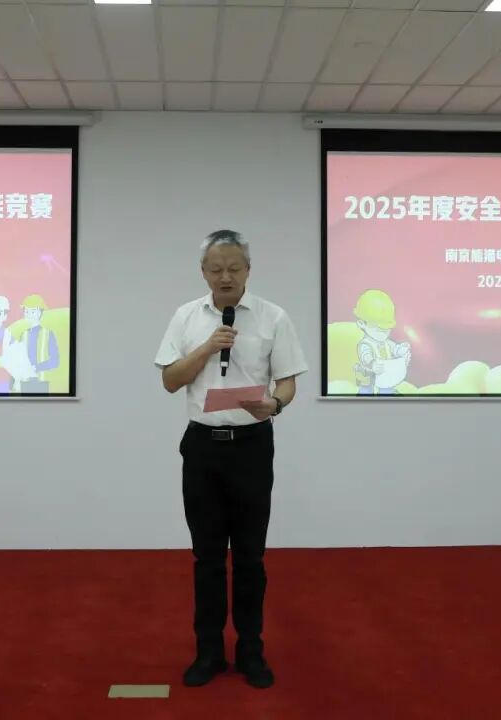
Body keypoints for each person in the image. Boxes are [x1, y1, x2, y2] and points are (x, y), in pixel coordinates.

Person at [154, 230, 307, 689]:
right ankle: (208, 651)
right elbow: (170, 381)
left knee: (249, 557)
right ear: (203, 272)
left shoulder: (273, 317)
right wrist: (206, 347)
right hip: (202, 447)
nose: (226, 277)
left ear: (248, 270)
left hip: (251, 447)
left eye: (234, 268)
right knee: (206, 557)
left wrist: (274, 404)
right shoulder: (186, 316)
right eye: (217, 269)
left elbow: (287, 382)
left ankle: (251, 650)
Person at [15, 294, 60, 393]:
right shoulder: (23, 335)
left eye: (32, 311)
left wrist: (37, 367)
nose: (29, 314)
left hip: (41, 382)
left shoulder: (48, 334)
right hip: (25, 382)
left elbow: (55, 361)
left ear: (40, 312)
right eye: (26, 311)